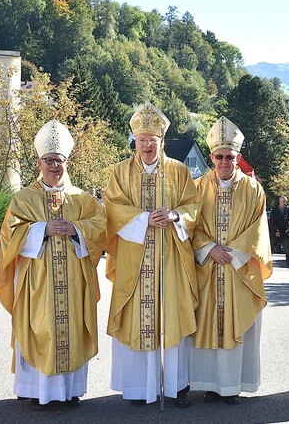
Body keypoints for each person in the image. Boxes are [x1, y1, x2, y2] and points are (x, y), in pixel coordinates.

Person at [0, 120, 106, 408]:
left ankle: (70, 391)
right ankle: (35, 389)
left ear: (67, 162)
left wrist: (76, 230)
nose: (55, 166)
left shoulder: (81, 198)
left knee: (71, 328)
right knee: (39, 327)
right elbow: (9, 235)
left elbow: (100, 228)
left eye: (59, 160)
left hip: (73, 280)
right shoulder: (24, 197)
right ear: (39, 162)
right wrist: (41, 229)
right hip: (37, 281)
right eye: (49, 160)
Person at [104, 102, 200, 407]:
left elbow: (193, 206)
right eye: (142, 140)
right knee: (138, 318)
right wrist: (145, 219)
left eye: (153, 140)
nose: (147, 145)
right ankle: (137, 388)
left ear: (162, 142)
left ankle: (177, 386)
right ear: (136, 141)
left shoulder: (179, 171)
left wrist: (174, 216)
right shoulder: (120, 171)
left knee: (174, 315)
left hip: (171, 258)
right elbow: (113, 208)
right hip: (135, 258)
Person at [189, 117, 272, 404]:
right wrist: (209, 249)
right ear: (211, 157)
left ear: (238, 158)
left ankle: (233, 386)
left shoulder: (253, 189)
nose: (225, 161)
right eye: (219, 156)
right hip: (207, 269)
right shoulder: (196, 187)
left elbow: (258, 229)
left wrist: (234, 253)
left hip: (240, 271)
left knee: (238, 327)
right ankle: (211, 385)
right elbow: (191, 226)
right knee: (206, 325)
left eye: (230, 157)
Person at [269, 195, 289, 265]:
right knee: (271, 247)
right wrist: (276, 231)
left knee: (288, 247)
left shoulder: (287, 210)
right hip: (276, 232)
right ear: (280, 202)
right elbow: (272, 222)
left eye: (286, 201)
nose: (285, 203)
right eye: (283, 201)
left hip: (285, 232)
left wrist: (288, 229)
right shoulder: (274, 211)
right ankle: (266, 262)